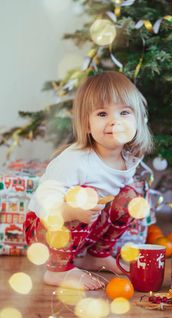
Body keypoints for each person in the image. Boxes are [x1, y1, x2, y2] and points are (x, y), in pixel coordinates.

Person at [24, 71, 154, 290]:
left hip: (83, 230)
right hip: (44, 229)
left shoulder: (127, 158)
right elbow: (46, 201)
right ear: (87, 124)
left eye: (124, 112)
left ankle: (97, 256)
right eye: (103, 114)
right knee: (83, 194)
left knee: (131, 197)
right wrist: (71, 211)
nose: (115, 121)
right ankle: (58, 271)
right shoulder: (76, 160)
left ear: (137, 120)